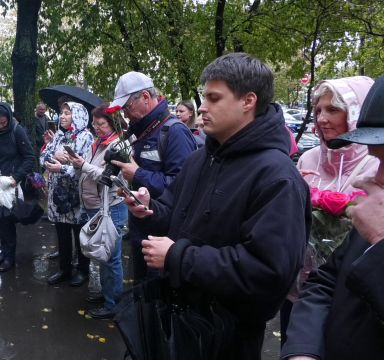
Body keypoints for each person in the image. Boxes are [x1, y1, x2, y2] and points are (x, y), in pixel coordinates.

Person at [124, 53, 310, 359]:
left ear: (248, 101)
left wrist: (178, 256)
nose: (202, 108)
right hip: (179, 323)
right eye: (203, 97)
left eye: (213, 97)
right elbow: (175, 215)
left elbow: (267, 273)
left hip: (226, 338)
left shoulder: (277, 177)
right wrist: (150, 210)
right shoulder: (201, 158)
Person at [281, 75, 384, 360]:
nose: (323, 118)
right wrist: (301, 350)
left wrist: (378, 241)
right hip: (301, 282)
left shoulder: (367, 164)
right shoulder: (309, 158)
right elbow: (327, 281)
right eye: (318, 110)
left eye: (334, 109)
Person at [109, 71, 197, 283]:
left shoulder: (174, 132)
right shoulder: (144, 130)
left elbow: (182, 189)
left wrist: (137, 173)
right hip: (142, 231)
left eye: (127, 108)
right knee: (142, 299)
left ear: (146, 98)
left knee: (156, 304)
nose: (125, 115)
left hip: (163, 238)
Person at [68, 103, 128, 319]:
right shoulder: (99, 143)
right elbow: (88, 173)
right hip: (95, 206)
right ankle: (107, 294)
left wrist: (83, 165)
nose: (96, 127)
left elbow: (108, 178)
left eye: (101, 124)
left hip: (111, 208)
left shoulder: (119, 145)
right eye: (94, 123)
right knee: (103, 256)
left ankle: (113, 304)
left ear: (112, 123)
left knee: (111, 257)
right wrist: (77, 165)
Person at [41, 101, 94, 286]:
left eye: (67, 113)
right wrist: (54, 157)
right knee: (61, 233)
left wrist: (62, 167)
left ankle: (82, 270)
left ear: (78, 116)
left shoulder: (86, 137)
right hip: (58, 193)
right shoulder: (58, 136)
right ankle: (64, 269)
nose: (62, 116)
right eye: (61, 113)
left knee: (79, 233)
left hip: (76, 194)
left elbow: (83, 167)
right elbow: (43, 156)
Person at [0, 102, 35, 272]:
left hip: (11, 184)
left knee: (9, 220)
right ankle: (3, 253)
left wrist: (16, 177)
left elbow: (30, 157)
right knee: (1, 220)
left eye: (3, 123)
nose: (0, 126)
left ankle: (10, 258)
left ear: (8, 119)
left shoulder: (17, 131)